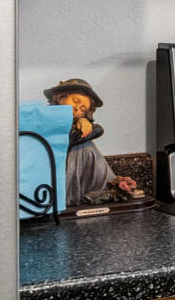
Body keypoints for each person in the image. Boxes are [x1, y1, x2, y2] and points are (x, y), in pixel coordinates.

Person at [42, 77, 143, 207]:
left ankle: (108, 187)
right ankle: (107, 188)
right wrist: (82, 122)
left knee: (86, 145)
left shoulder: (73, 122)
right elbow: (73, 137)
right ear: (61, 97)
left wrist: (82, 120)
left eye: (83, 109)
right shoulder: (45, 118)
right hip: (48, 180)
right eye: (75, 101)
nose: (77, 108)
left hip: (59, 177)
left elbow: (93, 130)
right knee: (85, 146)